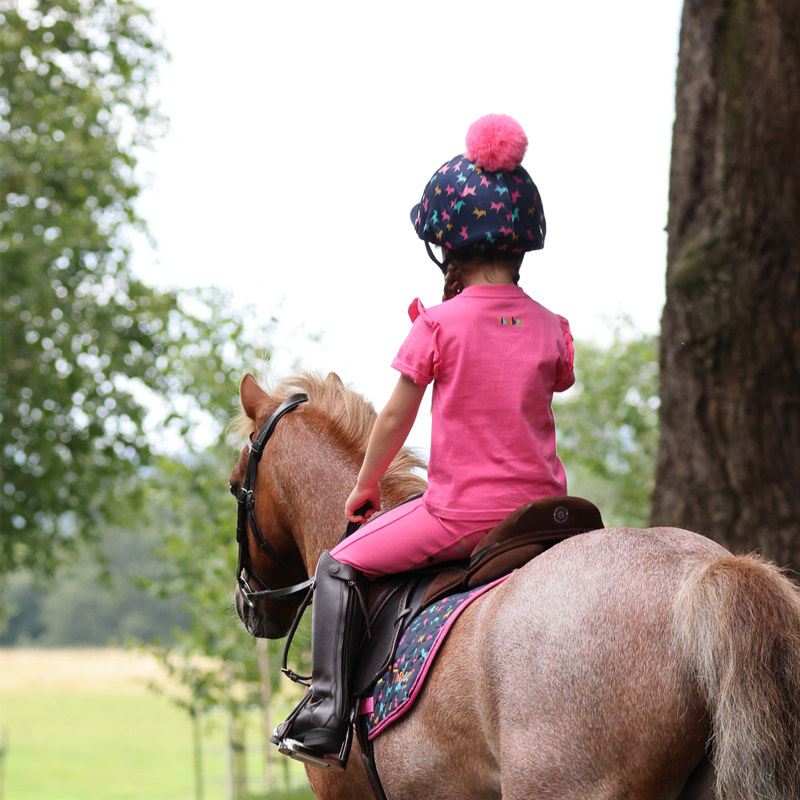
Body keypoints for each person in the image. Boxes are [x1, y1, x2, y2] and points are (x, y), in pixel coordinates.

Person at [273, 114, 575, 767]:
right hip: (551, 516)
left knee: (338, 565)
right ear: (522, 242)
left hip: (463, 517)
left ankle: (325, 714)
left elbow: (393, 420)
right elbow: (557, 379)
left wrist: (365, 484)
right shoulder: (553, 326)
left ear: (448, 246)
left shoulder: (438, 324)